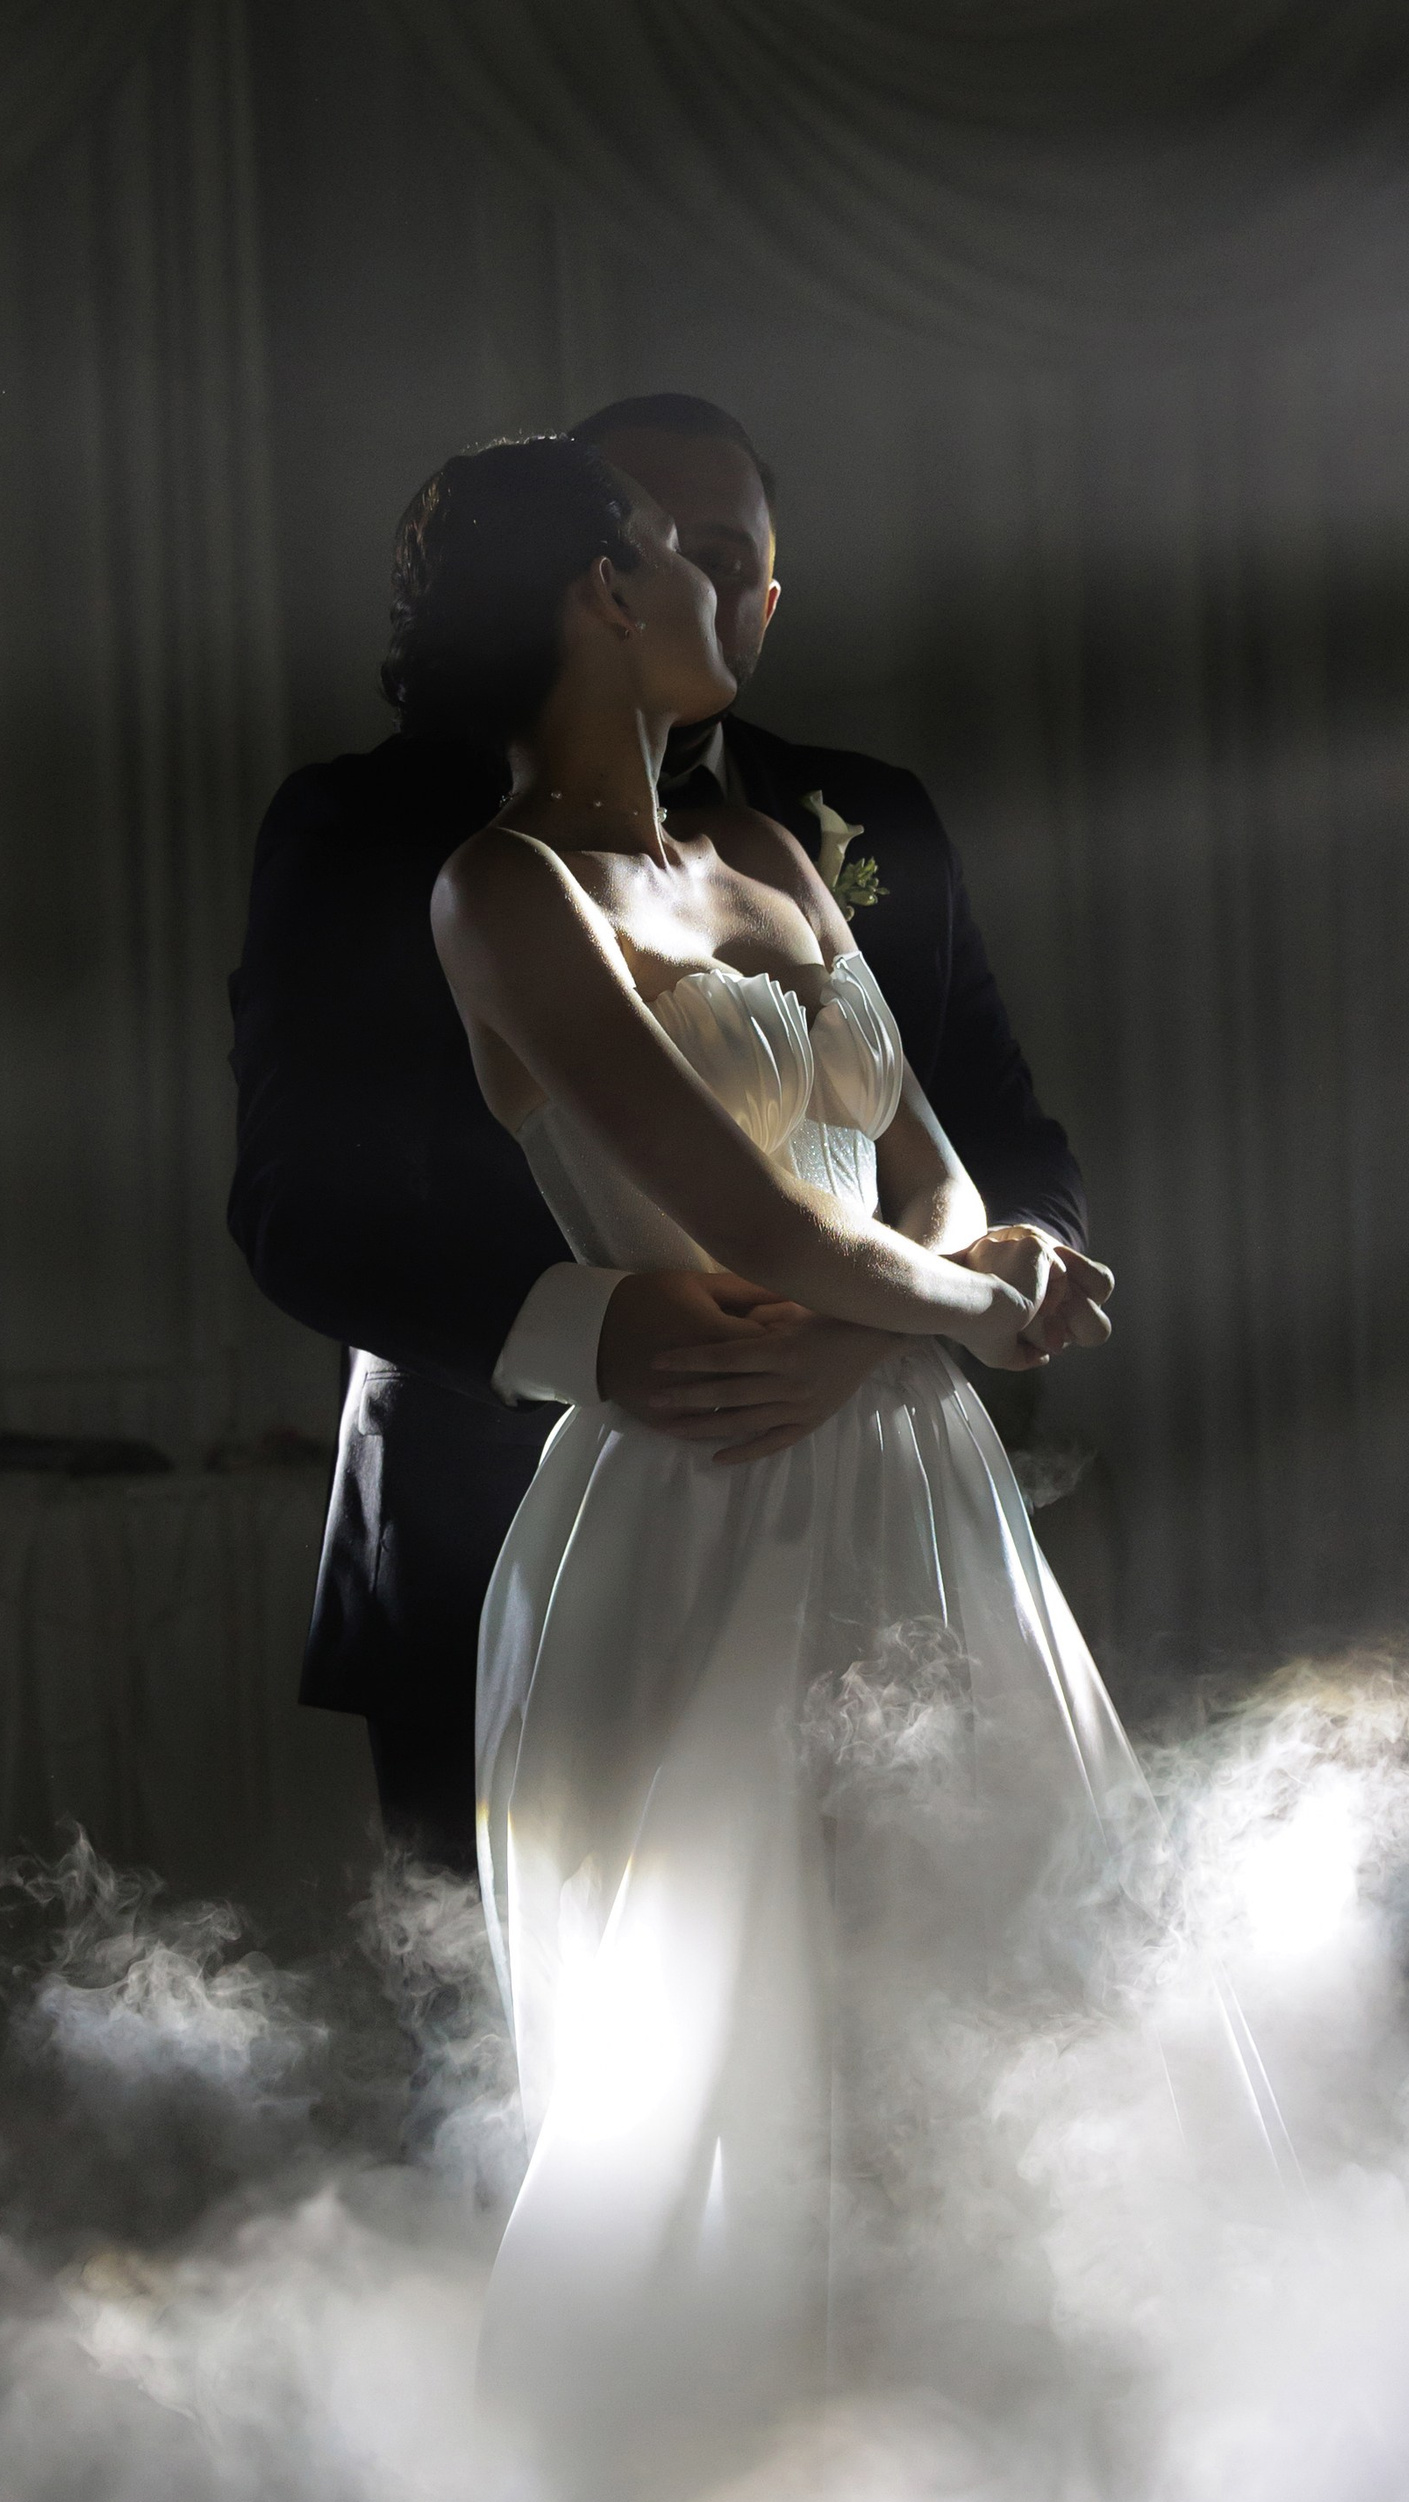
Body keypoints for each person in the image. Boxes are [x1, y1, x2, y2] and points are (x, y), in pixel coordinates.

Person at [392, 434, 1144, 2502]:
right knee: (750, 2031)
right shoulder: (504, 891)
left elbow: (927, 1164)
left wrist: (967, 1275)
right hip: (710, 1479)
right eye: (686, 558)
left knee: (976, 1971)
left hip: (909, 1472)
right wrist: (970, 1311)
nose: (736, 596)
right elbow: (761, 1225)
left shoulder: (770, 853)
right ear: (600, 595)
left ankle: (1003, 2470)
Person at [228, 395, 1107, 1869]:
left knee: (982, 1935)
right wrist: (605, 1334)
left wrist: (919, 1306)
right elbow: (297, 1203)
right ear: (595, 576)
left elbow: (991, 1131)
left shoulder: (836, 825)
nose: (694, 568)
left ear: (764, 596)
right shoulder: (383, 834)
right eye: (660, 534)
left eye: (727, 552)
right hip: (519, 1500)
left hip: (895, 1446)